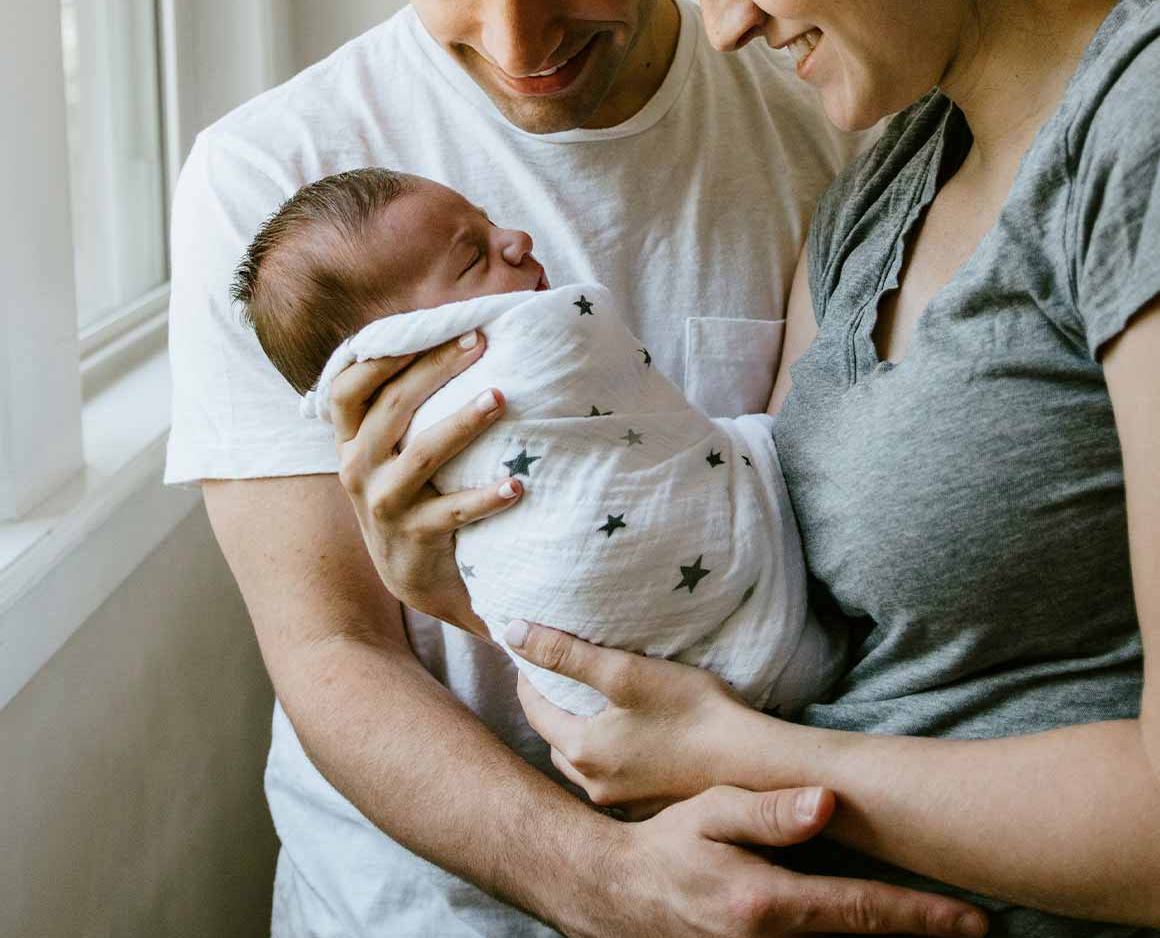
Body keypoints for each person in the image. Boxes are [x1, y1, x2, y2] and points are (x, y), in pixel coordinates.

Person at [164, 0, 1015, 938]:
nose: (517, 42)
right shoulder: (280, 189)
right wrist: (622, 890)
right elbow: (331, 651)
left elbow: (867, 541)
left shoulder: (825, 105)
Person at [422, 0, 1159, 938]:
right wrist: (467, 566)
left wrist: (751, 757)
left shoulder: (1137, 131)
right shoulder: (896, 165)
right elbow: (783, 592)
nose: (727, 14)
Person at [232, 166, 842, 718]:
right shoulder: (253, 164)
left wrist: (443, 593)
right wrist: (426, 585)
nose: (516, 238)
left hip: (643, 709)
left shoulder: (810, 148)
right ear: (407, 341)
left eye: (490, 221)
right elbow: (327, 651)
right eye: (472, 259)